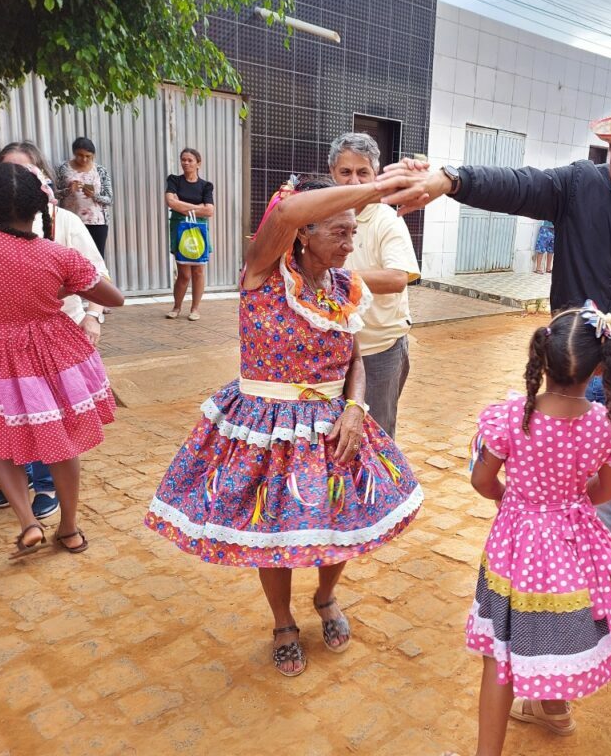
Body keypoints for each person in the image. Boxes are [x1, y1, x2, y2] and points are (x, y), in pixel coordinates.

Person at [380, 95, 611, 540]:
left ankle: (594, 598)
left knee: (606, 500)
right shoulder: (580, 185)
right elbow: (519, 185)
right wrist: (452, 179)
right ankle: (544, 586)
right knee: (545, 488)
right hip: (567, 372)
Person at [143, 176, 422, 677]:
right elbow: (283, 215)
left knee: (343, 519)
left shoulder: (342, 286)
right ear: (303, 233)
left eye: (353, 232)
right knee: (270, 529)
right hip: (266, 429)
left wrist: (356, 408)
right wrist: (377, 184)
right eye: (339, 233)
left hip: (333, 424)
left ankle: (326, 595)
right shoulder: (263, 274)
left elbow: (353, 358)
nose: (350, 244)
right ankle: (282, 623)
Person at [451, 305, 611, 756]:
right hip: (575, 540)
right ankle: (555, 710)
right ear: (600, 368)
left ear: (539, 359)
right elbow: (609, 489)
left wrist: (517, 500)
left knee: (502, 649)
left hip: (517, 545)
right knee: (557, 623)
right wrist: (566, 498)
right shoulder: (609, 425)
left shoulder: (508, 418)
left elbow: (482, 481)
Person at [0, 163, 124, 556]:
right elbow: (114, 298)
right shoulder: (57, 255)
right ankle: (69, 529)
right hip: (51, 354)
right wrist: (65, 283)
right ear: (39, 205)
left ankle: (28, 522)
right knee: (61, 441)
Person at [328, 132, 421, 439]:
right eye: (345, 172)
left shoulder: (387, 220)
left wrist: (335, 279)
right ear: (332, 173)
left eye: (362, 172)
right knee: (331, 433)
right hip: (330, 350)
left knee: (375, 436)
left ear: (375, 175)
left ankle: (380, 489)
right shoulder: (319, 216)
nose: (353, 181)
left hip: (378, 351)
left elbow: (398, 278)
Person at [165, 147, 214, 321]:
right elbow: (170, 202)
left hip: (199, 231)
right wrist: (197, 208)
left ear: (198, 163)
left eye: (190, 160)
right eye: (183, 159)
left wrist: (182, 206)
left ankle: (195, 308)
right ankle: (177, 307)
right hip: (180, 229)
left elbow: (209, 211)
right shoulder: (174, 180)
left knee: (198, 271)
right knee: (184, 273)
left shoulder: (206, 186)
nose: (186, 163)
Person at [56, 137, 114, 257]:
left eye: (88, 156)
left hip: (97, 223)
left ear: (93, 155)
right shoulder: (63, 169)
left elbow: (109, 199)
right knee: (73, 258)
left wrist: (94, 196)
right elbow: (54, 195)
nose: (84, 159)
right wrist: (68, 191)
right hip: (70, 221)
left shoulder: (100, 170)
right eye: (80, 155)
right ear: (74, 153)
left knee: (97, 258)